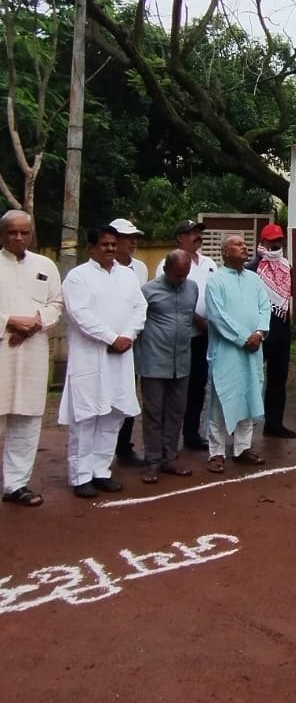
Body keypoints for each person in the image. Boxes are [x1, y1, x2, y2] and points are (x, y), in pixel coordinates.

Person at [59, 225, 147, 497]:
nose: (110, 249)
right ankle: (81, 475)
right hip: (90, 357)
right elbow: (81, 315)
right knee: (86, 417)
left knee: (112, 416)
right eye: (105, 244)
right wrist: (111, 338)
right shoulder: (78, 277)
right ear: (92, 248)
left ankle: (101, 471)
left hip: (121, 356)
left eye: (113, 244)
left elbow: (139, 307)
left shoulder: (127, 276)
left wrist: (128, 335)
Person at [0, 209, 62, 507]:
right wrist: (10, 322)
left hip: (33, 351)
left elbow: (56, 304)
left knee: (26, 421)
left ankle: (16, 485)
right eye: (12, 232)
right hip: (2, 351)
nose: (19, 237)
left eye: (24, 232)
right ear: (3, 235)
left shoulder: (45, 265)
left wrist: (33, 325)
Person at [204, 235, 271, 474]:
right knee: (222, 398)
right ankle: (216, 452)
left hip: (254, 349)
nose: (244, 247)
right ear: (224, 252)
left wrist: (260, 333)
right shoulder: (215, 281)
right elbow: (218, 316)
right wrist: (245, 338)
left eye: (245, 244)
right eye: (238, 245)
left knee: (250, 394)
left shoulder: (254, 279)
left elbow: (265, 307)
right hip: (228, 350)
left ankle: (243, 448)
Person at [156, 220, 218, 451]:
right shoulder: (168, 262)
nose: (197, 236)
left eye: (199, 232)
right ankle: (167, 439)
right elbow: (169, 298)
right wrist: (197, 319)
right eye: (191, 233)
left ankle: (191, 434)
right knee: (175, 386)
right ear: (179, 237)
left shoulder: (209, 263)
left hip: (205, 336)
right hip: (180, 336)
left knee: (198, 385)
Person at [138, 250, 198, 483]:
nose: (181, 280)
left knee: (175, 412)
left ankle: (169, 458)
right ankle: (152, 462)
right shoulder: (147, 291)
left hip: (182, 362)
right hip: (154, 362)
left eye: (185, 275)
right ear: (165, 271)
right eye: (177, 275)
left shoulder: (192, 288)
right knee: (154, 413)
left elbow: (189, 316)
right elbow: (137, 322)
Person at [246, 223, 295, 438]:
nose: (275, 245)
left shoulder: (286, 266)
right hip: (258, 333)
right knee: (251, 380)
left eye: (279, 241)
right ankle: (243, 428)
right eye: (271, 241)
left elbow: (287, 299)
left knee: (278, 380)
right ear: (262, 242)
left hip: (281, 331)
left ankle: (274, 424)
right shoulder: (252, 268)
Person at [109, 216, 148, 467]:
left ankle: (124, 446)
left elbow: (140, 305)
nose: (132, 242)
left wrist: (131, 333)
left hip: (133, 340)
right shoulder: (100, 267)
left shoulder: (140, 268)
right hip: (106, 341)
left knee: (128, 392)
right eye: (127, 238)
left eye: (135, 238)